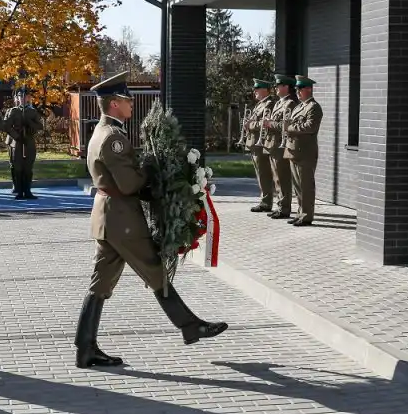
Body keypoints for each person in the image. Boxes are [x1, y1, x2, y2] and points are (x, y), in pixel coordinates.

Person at [76, 71, 228, 369]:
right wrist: (153, 170)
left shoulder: (101, 132)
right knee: (155, 270)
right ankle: (190, 326)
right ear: (114, 103)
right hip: (122, 219)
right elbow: (129, 184)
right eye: (127, 99)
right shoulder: (113, 139)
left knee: (100, 283)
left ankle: (85, 349)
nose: (132, 104)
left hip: (108, 217)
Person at [284, 75, 324, 227]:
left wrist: (289, 128)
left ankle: (307, 216)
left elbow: (310, 127)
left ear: (309, 89)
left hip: (305, 152)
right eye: (296, 89)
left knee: (306, 186)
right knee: (298, 185)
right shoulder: (299, 107)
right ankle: (300, 213)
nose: (297, 91)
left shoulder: (314, 107)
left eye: (300, 88)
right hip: (294, 150)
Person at [262, 73, 297, 220]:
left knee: (282, 178)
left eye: (278, 85)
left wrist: (270, 124)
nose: (276, 88)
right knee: (276, 178)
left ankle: (285, 208)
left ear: (286, 87)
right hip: (273, 144)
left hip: (280, 145)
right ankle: (280, 206)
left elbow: (285, 125)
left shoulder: (290, 104)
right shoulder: (278, 103)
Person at [3, 87, 43, 199]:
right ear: (17, 98)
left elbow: (40, 126)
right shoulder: (13, 111)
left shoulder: (32, 111)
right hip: (17, 142)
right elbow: (6, 126)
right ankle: (19, 190)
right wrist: (16, 135)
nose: (22, 98)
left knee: (28, 167)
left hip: (28, 140)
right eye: (20, 96)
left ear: (28, 98)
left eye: (25, 96)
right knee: (18, 166)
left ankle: (27, 190)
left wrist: (29, 123)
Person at [245, 79, 277, 213]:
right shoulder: (259, 104)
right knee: (260, 174)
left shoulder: (269, 104)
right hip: (254, 143)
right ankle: (265, 200)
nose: (255, 91)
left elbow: (264, 123)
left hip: (261, 143)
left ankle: (266, 202)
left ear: (265, 90)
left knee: (264, 174)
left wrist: (250, 125)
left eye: (257, 88)